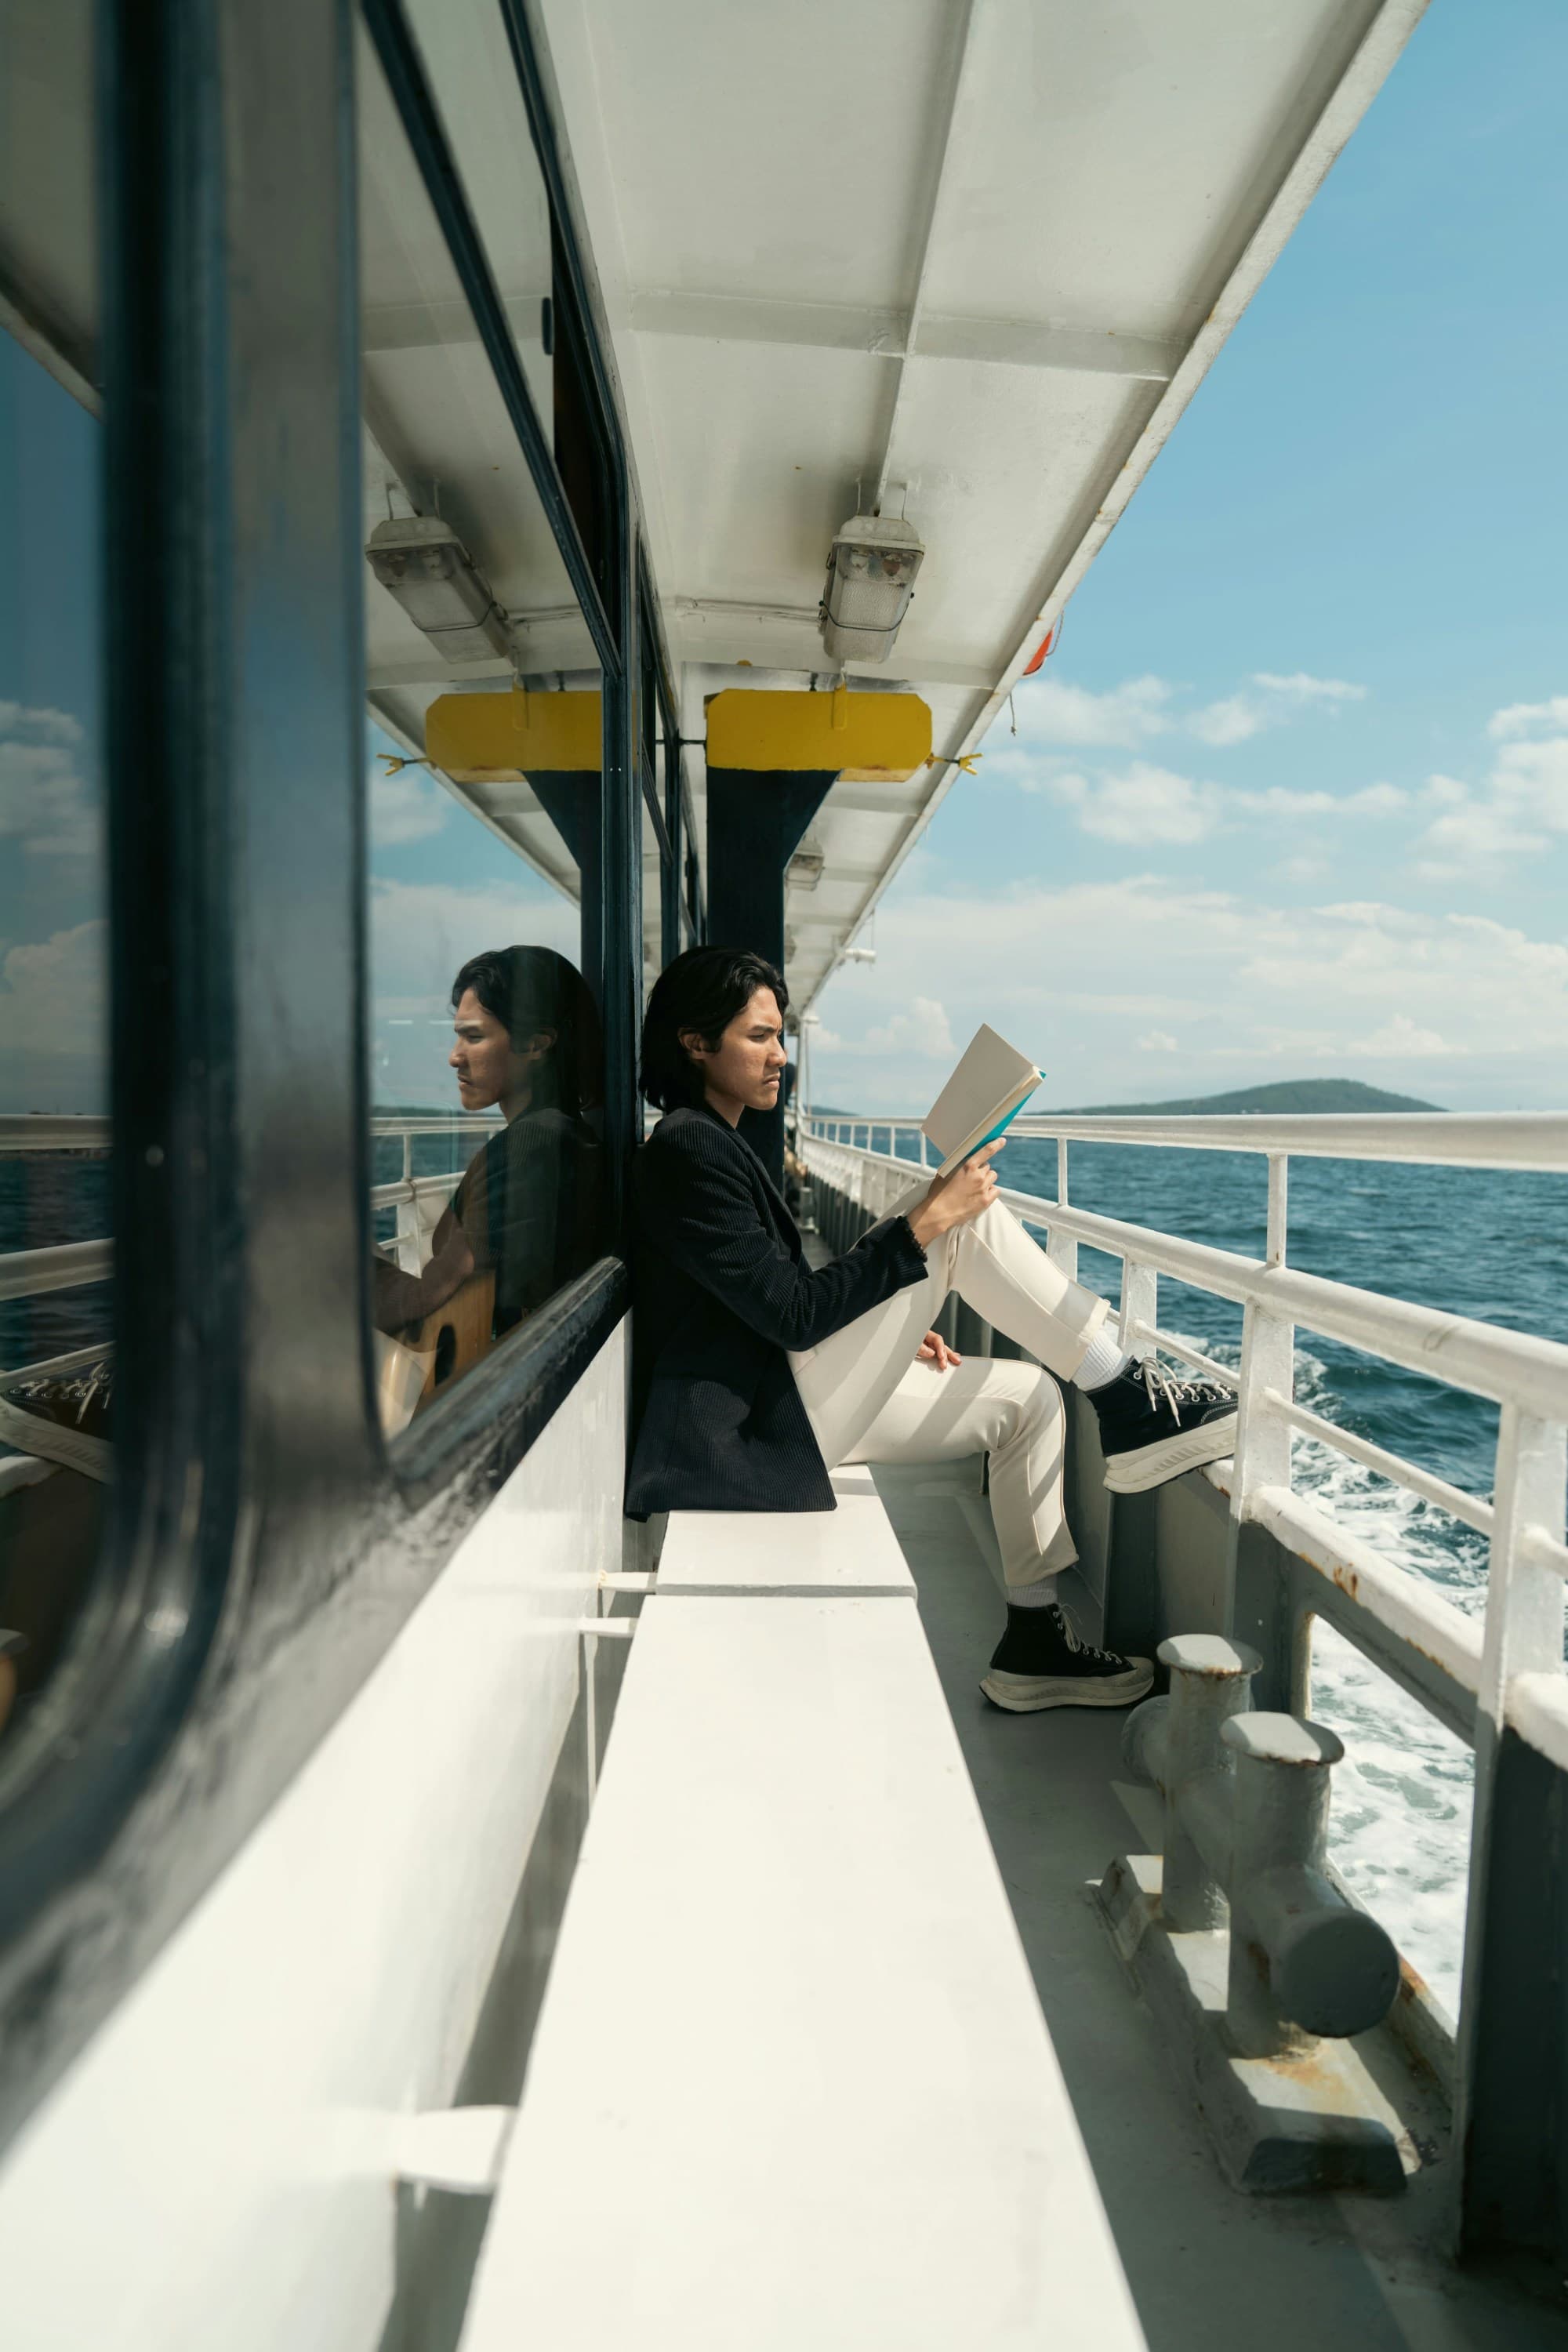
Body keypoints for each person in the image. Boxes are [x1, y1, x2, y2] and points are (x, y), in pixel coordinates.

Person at [626, 946, 1238, 1713]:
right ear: (693, 1041)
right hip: (742, 1434)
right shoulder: (686, 1146)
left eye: (781, 1037)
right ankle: (1124, 1394)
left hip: (780, 1397)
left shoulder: (715, 1140)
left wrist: (889, 1325)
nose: (780, 1056)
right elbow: (788, 1314)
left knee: (1027, 1399)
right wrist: (923, 1225)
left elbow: (758, 1298)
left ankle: (1032, 1635)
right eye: (759, 1037)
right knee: (951, 1222)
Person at [375, 945, 605, 1343]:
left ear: (535, 1044)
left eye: (474, 1037)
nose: (454, 1057)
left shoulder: (533, 1144)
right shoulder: (564, 1135)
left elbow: (438, 1308)